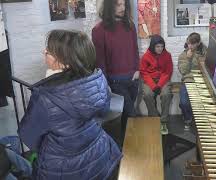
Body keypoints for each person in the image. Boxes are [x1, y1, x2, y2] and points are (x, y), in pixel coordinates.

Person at [18, 30, 122, 180]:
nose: (44, 51)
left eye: (49, 50)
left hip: (64, 169)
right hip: (99, 157)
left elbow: (28, 136)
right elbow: (103, 113)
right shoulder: (97, 80)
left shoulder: (45, 97)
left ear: (65, 61)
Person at [92, 0, 140, 139]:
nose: (122, 8)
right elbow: (100, 61)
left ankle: (127, 149)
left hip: (133, 78)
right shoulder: (99, 30)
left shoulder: (130, 26)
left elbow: (135, 50)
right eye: (118, 5)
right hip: (115, 81)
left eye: (124, 4)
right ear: (109, 6)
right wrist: (105, 84)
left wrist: (137, 70)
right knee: (131, 115)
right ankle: (129, 149)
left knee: (126, 117)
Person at [140, 35, 173, 135]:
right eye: (157, 46)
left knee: (166, 94)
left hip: (163, 79)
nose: (160, 49)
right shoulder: (146, 56)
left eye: (162, 46)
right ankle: (154, 118)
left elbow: (168, 72)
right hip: (150, 79)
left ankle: (163, 122)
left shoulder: (167, 55)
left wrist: (159, 85)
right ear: (153, 46)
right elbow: (143, 72)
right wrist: (153, 86)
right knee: (147, 95)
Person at [178, 32, 207, 130]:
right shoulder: (184, 54)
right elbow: (183, 71)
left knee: (203, 102)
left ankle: (201, 122)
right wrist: (188, 58)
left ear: (198, 43)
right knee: (184, 102)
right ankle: (187, 119)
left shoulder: (205, 53)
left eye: (192, 43)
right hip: (188, 80)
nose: (190, 45)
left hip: (202, 80)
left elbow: (208, 68)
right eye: (188, 43)